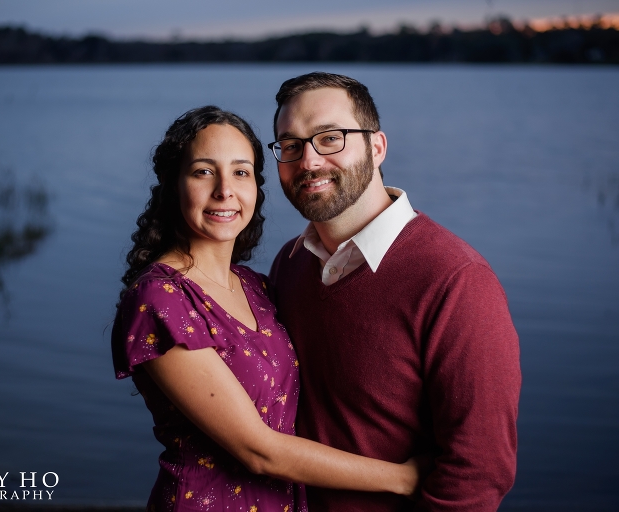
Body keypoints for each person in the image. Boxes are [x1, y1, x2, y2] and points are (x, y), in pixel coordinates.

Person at [111, 106, 419, 512]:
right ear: (173, 185)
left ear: (256, 188)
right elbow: (259, 451)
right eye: (203, 172)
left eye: (241, 172)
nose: (225, 190)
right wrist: (405, 478)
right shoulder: (161, 298)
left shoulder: (255, 286)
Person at [268, 72, 522, 512]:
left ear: (377, 146)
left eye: (330, 138)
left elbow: (477, 475)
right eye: (291, 145)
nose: (308, 161)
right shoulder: (289, 264)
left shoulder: (456, 280)